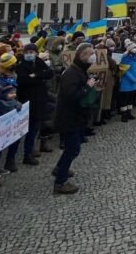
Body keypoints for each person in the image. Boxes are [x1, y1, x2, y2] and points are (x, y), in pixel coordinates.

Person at [53, 43, 99, 195]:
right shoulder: (72, 73)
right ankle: (60, 182)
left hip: (77, 116)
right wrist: (87, 86)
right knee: (73, 148)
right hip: (69, 117)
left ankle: (60, 168)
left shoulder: (80, 70)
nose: (93, 56)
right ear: (82, 56)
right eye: (91, 53)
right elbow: (71, 96)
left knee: (75, 145)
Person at [14, 43, 54, 166]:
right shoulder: (21, 64)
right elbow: (23, 80)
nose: (29, 54)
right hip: (26, 101)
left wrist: (36, 75)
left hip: (39, 101)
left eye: (32, 52)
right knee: (25, 131)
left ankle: (29, 152)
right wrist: (38, 78)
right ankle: (24, 155)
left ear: (36, 53)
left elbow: (49, 73)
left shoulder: (39, 61)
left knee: (34, 129)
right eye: (27, 52)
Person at [118, 42, 136, 123]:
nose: (135, 49)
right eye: (133, 48)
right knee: (125, 98)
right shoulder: (124, 57)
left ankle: (129, 113)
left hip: (135, 81)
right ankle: (124, 114)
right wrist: (132, 78)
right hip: (126, 81)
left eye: (135, 47)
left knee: (131, 98)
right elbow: (124, 70)